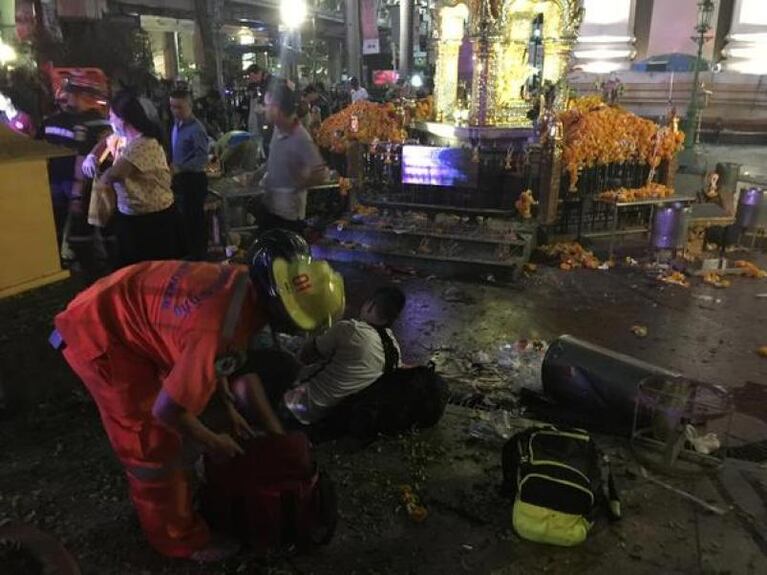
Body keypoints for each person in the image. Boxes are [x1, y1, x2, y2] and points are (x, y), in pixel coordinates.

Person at [51, 229, 345, 561]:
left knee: (184, 415)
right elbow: (167, 410)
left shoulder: (248, 282)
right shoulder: (219, 330)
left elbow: (212, 354)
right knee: (151, 444)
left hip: (120, 308)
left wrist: (226, 409)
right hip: (100, 333)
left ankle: (180, 497)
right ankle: (180, 540)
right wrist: (211, 440)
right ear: (283, 310)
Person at [232, 286, 406, 428]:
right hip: (331, 418)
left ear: (370, 305)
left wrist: (320, 329)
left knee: (267, 349)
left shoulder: (352, 330)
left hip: (297, 409)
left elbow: (304, 356)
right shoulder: (394, 348)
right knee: (290, 345)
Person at [97, 90, 180, 267]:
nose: (110, 121)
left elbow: (115, 174)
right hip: (135, 217)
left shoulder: (144, 144)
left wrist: (102, 177)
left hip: (152, 221)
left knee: (152, 271)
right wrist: (92, 156)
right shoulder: (128, 140)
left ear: (123, 119)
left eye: (112, 117)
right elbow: (105, 141)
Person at [38, 79, 110, 262]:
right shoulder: (97, 123)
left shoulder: (53, 121)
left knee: (67, 221)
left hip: (66, 180)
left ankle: (66, 258)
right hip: (72, 181)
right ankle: (79, 258)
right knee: (76, 222)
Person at [259, 80, 328, 235]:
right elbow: (273, 160)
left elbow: (320, 172)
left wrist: (297, 185)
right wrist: (256, 175)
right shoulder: (278, 129)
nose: (264, 109)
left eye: (267, 105)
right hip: (271, 209)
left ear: (277, 109)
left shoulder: (300, 137)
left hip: (289, 218)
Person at [169, 89, 211, 261]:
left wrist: (180, 167)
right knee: (185, 219)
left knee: (195, 220)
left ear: (189, 106)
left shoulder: (196, 129)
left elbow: (202, 159)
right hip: (181, 178)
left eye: (179, 107)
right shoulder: (176, 125)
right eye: (172, 106)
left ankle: (199, 256)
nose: (175, 110)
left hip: (193, 179)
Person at [246, 64, 273, 159]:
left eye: (251, 77)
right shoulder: (261, 84)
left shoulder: (271, 83)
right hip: (265, 122)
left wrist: (264, 109)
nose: (251, 79)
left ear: (257, 73)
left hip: (273, 122)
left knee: (269, 145)